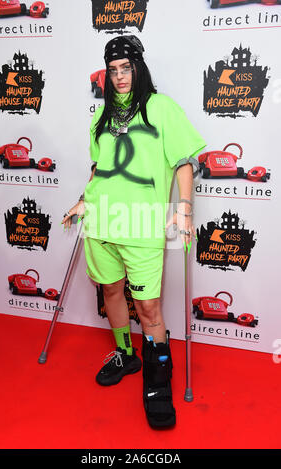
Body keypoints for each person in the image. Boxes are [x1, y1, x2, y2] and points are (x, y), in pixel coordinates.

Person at [62, 35, 206, 428]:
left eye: (126, 68)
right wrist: (84, 200)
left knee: (148, 308)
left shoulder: (161, 108)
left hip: (141, 225)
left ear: (138, 68)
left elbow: (182, 162)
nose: (120, 76)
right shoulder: (101, 116)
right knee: (110, 291)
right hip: (101, 222)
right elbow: (99, 169)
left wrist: (185, 207)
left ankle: (158, 381)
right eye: (113, 70)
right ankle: (125, 354)